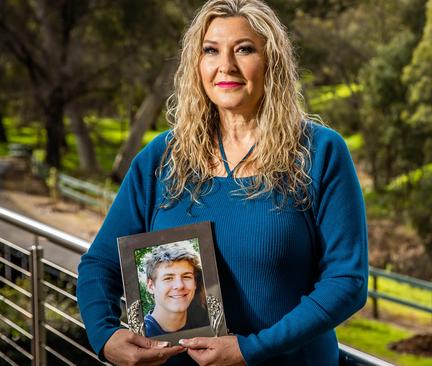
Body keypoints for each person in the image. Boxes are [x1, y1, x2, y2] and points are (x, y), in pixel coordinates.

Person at [77, 0, 368, 365]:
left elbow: (347, 282)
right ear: (196, 65)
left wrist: (251, 349)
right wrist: (105, 335)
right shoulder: (161, 157)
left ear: (271, 62)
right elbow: (100, 263)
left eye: (244, 49)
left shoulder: (320, 153)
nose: (225, 66)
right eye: (211, 51)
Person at [142, 244, 210, 337]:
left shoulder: (208, 324)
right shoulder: (142, 334)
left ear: (195, 283)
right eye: (168, 278)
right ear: (150, 286)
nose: (180, 285)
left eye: (186, 276)